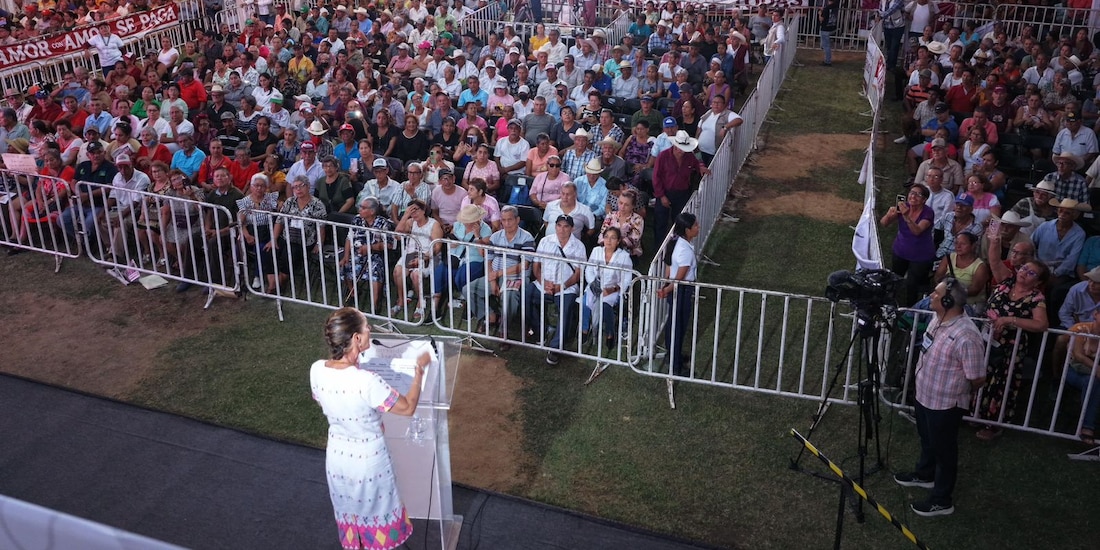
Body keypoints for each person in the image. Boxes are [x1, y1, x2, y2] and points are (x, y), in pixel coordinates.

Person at [310, 307, 425, 550]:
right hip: (369, 464)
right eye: (366, 326)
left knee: (352, 520)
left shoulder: (317, 370)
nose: (370, 329)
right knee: (378, 527)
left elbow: (323, 400)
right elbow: (407, 408)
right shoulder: (366, 381)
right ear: (356, 338)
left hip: (338, 461)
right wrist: (419, 372)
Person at [893, 278, 986, 518]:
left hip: (945, 404)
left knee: (945, 452)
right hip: (924, 395)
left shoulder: (967, 336)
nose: (931, 296)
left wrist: (956, 392)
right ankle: (925, 474)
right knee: (927, 439)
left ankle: (942, 500)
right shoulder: (938, 318)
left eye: (936, 294)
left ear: (948, 300)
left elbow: (977, 377)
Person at [978, 259, 1050, 440]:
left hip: (1010, 347)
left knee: (1000, 382)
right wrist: (995, 238)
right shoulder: (1006, 282)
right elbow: (994, 262)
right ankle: (972, 414)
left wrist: (1010, 320)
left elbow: (1041, 324)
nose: (1024, 272)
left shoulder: (1036, 298)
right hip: (985, 339)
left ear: (1039, 281)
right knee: (977, 375)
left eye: (1031, 272)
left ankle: (993, 424)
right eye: (1024, 268)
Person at [468, 206, 535, 349]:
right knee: (469, 289)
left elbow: (525, 265)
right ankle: (489, 316)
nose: (506, 223)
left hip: (516, 277)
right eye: (503, 220)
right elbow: (489, 260)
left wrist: (499, 274)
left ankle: (504, 332)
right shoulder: (496, 236)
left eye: (510, 220)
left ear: (517, 220)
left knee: (509, 296)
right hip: (495, 275)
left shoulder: (527, 237)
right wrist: (492, 281)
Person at [528, 213, 586, 365]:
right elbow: (536, 265)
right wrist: (543, 281)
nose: (562, 229)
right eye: (559, 225)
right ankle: (541, 331)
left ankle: (555, 347)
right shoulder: (545, 241)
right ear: (555, 226)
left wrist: (563, 286)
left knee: (565, 310)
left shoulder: (579, 246)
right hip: (544, 284)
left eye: (566, 226)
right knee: (527, 295)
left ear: (571, 228)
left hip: (566, 287)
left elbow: (579, 273)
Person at [652, 130, 710, 249]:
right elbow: (656, 177)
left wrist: (701, 167)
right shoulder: (663, 156)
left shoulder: (689, 156)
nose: (681, 151)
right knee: (660, 220)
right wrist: (661, 195)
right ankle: (659, 247)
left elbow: (696, 163)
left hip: (682, 192)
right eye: (679, 148)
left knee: (679, 222)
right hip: (665, 191)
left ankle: (677, 246)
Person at [657, 212, 699, 377]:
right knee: (677, 326)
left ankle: (672, 356)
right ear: (687, 230)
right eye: (695, 225)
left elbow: (669, 267)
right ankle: (675, 365)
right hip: (681, 290)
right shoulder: (684, 250)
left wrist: (666, 286)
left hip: (676, 289)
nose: (698, 228)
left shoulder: (676, 242)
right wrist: (667, 289)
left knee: (672, 324)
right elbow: (680, 276)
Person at [881, 184, 935, 307]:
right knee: (894, 278)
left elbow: (917, 231)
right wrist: (889, 215)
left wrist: (906, 216)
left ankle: (910, 311)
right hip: (900, 250)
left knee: (912, 284)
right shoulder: (903, 207)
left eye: (918, 194)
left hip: (920, 255)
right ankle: (889, 303)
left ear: (924, 199)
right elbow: (884, 223)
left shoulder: (928, 213)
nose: (913, 196)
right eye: (911, 193)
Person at [581, 226, 634, 347]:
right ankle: (584, 330)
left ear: (618, 241)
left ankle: (610, 333)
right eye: (606, 237)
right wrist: (593, 284)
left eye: (613, 238)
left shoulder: (624, 256)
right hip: (595, 286)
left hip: (613, 289)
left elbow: (627, 278)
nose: (609, 241)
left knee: (605, 306)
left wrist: (614, 289)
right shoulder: (596, 251)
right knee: (585, 303)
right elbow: (589, 270)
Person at [1065, 305, 1100, 445]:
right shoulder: (1080, 328)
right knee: (1092, 382)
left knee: (1095, 382)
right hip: (1073, 370)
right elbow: (1078, 355)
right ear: (1095, 314)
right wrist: (1096, 368)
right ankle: (1087, 427)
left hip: (1095, 374)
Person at [819, 0, 839, 66]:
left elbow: (821, 19)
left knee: (826, 46)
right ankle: (827, 57)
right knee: (825, 45)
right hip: (832, 27)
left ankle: (827, 61)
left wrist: (820, 13)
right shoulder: (836, 6)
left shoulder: (826, 9)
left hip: (825, 29)